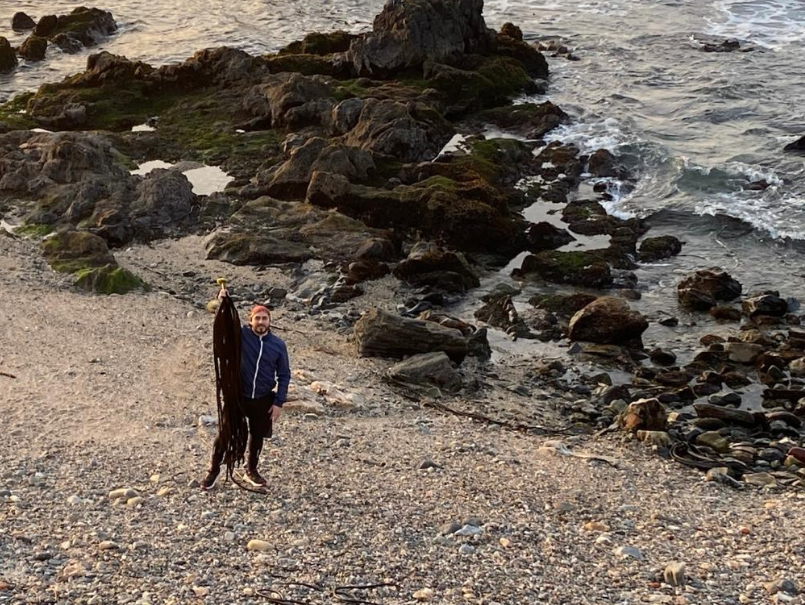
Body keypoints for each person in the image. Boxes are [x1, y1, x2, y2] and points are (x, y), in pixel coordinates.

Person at [201, 291, 291, 489]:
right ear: (250, 320)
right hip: (238, 397)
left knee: (257, 435)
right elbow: (224, 325)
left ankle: (251, 470)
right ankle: (213, 470)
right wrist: (222, 300)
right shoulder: (241, 335)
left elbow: (284, 375)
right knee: (225, 433)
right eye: (257, 318)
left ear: (269, 321)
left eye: (264, 318)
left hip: (263, 398)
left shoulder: (278, 345)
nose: (261, 322)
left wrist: (278, 402)